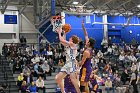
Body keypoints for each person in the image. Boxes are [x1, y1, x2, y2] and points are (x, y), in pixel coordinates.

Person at [55, 27, 80, 93]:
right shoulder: (69, 45)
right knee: (58, 78)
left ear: (72, 40)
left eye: (71, 38)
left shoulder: (73, 44)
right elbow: (63, 41)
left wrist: (59, 33)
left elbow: (61, 40)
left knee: (74, 80)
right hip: (67, 64)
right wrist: (64, 33)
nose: (69, 38)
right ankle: (63, 92)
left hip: (71, 64)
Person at [79, 20, 95, 93]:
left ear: (89, 43)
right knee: (85, 85)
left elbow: (81, 63)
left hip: (85, 69)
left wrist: (75, 62)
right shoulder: (90, 49)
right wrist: (83, 26)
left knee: (82, 87)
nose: (86, 41)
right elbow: (86, 35)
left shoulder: (86, 52)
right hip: (88, 68)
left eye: (87, 41)